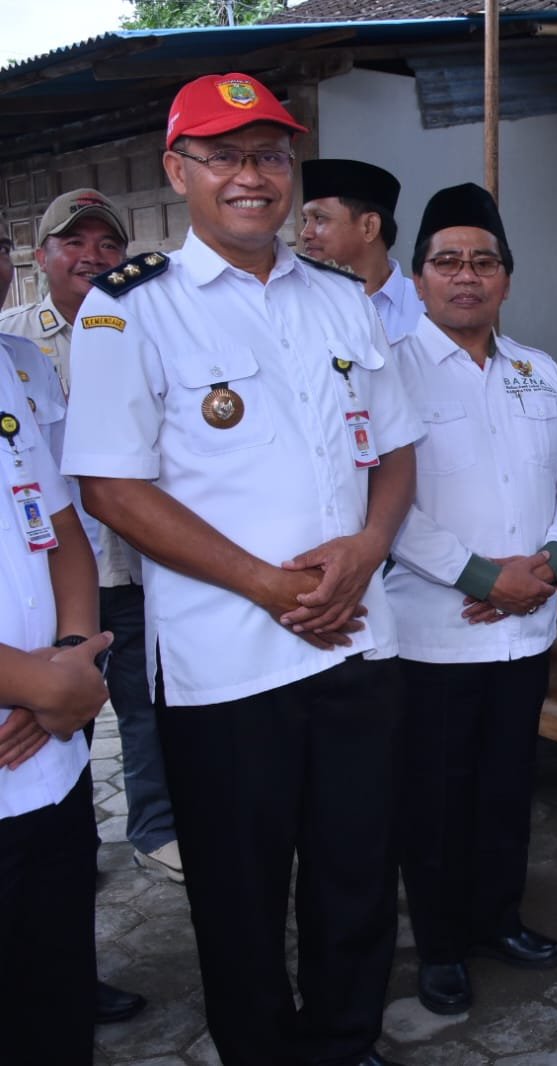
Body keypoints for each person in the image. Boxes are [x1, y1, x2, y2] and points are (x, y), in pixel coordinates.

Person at [61, 72, 420, 1066]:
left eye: (267, 154)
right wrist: (265, 583)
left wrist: (368, 548)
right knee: (239, 889)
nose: (250, 175)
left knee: (356, 872)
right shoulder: (132, 309)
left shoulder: (343, 299)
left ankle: (344, 1043)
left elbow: (396, 451)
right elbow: (112, 489)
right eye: (222, 155)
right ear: (178, 171)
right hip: (227, 661)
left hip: (357, 640)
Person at [386, 182, 557, 1015]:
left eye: (482, 261)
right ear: (418, 277)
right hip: (431, 632)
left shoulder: (538, 371)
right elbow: (381, 502)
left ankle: (498, 918)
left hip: (525, 628)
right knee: (435, 800)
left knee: (507, 788)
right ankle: (440, 946)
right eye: (447, 262)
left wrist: (546, 565)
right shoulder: (387, 369)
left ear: (505, 276)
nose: (465, 276)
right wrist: (480, 577)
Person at [0, 335, 114, 1065]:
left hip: (50, 765)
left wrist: (72, 653)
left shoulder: (6, 369)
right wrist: (41, 684)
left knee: (55, 1006)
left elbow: (61, 524)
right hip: (37, 717)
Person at [0, 188, 128, 381]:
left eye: (108, 245)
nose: (93, 257)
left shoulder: (149, 332)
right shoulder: (9, 333)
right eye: (75, 242)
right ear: (42, 258)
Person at [299, 157, 424, 342]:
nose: (305, 234)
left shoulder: (427, 307)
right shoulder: (299, 305)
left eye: (319, 218)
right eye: (305, 220)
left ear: (369, 227)